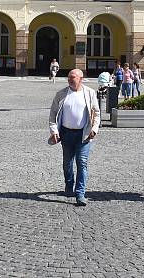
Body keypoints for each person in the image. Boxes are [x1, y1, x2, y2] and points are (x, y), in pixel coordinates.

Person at [48, 69, 100, 206]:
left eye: (73, 77)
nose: (70, 80)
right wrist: (54, 131)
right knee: (67, 164)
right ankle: (69, 184)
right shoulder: (61, 94)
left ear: (81, 79)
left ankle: (80, 194)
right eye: (69, 77)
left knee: (82, 163)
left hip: (83, 134)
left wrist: (94, 129)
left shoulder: (89, 93)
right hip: (66, 134)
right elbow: (53, 115)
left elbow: (97, 113)